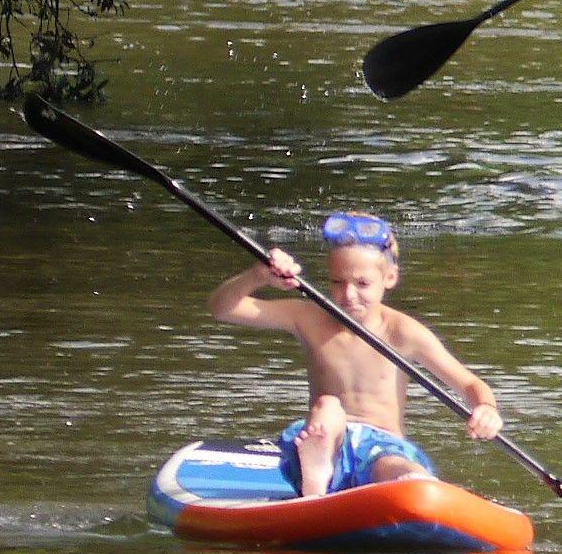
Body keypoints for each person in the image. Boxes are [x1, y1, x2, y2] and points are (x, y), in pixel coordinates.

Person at [206, 212, 504, 498]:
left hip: (381, 445)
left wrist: (486, 408)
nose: (348, 295)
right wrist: (258, 276)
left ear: (389, 278)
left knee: (400, 468)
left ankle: (406, 481)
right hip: (324, 437)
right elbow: (223, 309)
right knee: (328, 408)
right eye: (338, 282)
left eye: (362, 284)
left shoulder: (403, 331)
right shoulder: (307, 316)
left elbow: (469, 384)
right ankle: (316, 481)